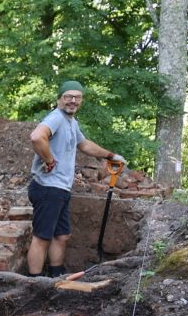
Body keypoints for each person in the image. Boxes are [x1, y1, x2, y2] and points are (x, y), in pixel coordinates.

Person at [27, 80, 126, 278]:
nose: (73, 100)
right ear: (59, 99)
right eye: (68, 97)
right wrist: (49, 160)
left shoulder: (71, 122)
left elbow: (84, 145)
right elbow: (37, 137)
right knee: (42, 237)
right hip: (48, 188)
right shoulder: (56, 117)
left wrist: (110, 156)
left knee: (61, 236)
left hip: (60, 189)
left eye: (77, 97)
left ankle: (57, 275)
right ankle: (33, 282)